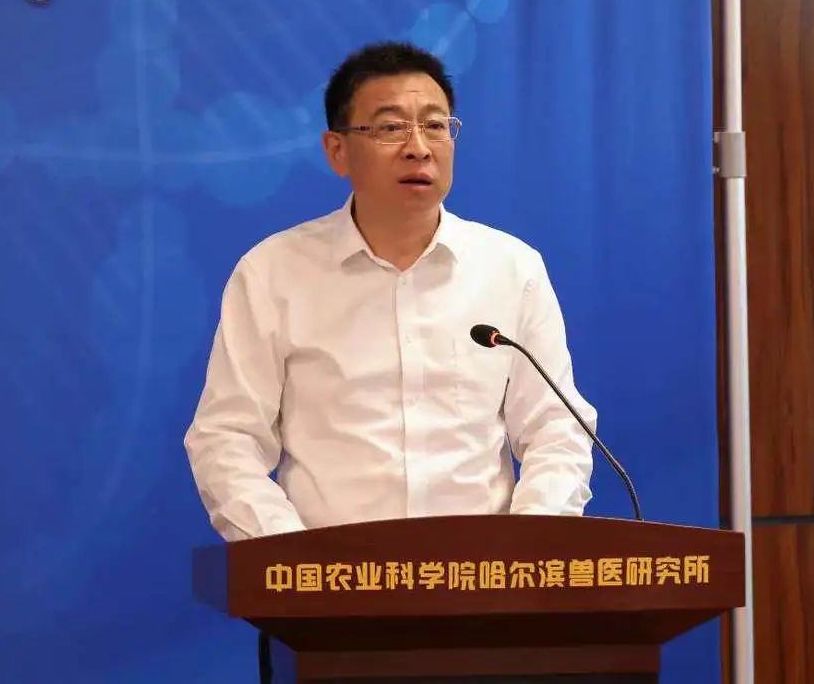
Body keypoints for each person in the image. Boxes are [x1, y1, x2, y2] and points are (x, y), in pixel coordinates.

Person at [183, 41, 597, 542]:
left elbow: (557, 429)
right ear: (337, 150)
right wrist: (292, 557)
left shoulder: (511, 269)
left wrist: (523, 554)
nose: (418, 147)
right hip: (331, 577)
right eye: (390, 127)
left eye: (435, 125)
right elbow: (227, 438)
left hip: (480, 577)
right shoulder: (273, 273)